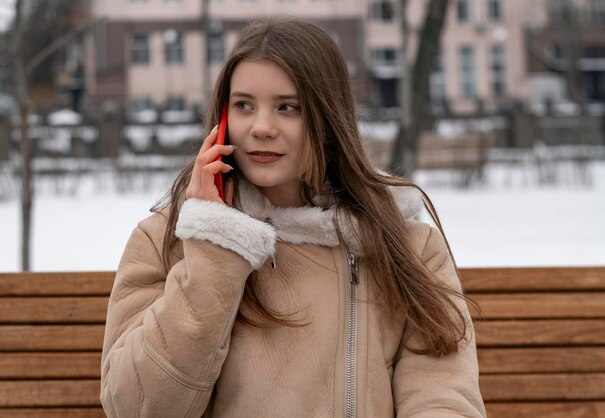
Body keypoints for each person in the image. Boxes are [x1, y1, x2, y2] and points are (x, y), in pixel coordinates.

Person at [100, 17, 486, 418]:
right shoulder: (167, 241)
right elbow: (135, 407)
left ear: (327, 119)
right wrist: (216, 248)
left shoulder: (406, 246)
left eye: (288, 107)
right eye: (244, 105)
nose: (261, 127)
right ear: (222, 116)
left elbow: (442, 395)